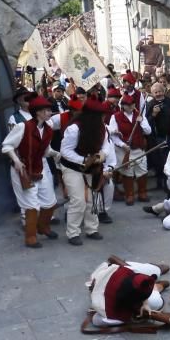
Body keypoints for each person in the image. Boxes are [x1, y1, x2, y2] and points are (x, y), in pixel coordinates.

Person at [1, 96, 67, 249]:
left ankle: (43, 227)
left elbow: (45, 150)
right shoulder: (22, 127)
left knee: (50, 202)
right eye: (47, 110)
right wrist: (16, 161)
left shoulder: (48, 129)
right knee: (31, 206)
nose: (50, 113)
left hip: (39, 168)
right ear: (38, 113)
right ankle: (30, 237)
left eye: (50, 110)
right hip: (22, 171)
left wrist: (55, 153)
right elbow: (7, 146)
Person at [59, 98, 115, 246]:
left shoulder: (102, 127)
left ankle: (91, 229)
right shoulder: (74, 129)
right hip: (71, 167)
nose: (104, 118)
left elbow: (106, 146)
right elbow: (65, 151)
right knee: (78, 200)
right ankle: (73, 232)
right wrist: (84, 160)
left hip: (92, 168)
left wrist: (101, 155)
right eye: (101, 115)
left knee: (92, 199)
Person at [85, 256, 170, 329]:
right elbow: (96, 320)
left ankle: (155, 272)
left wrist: (144, 303)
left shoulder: (126, 270)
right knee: (155, 303)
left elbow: (139, 279)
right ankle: (157, 286)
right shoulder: (113, 314)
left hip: (118, 273)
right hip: (103, 288)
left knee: (154, 271)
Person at [107, 93, 151, 206]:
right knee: (128, 172)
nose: (131, 106)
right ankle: (129, 195)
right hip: (124, 150)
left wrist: (141, 121)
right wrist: (122, 145)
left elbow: (148, 131)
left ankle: (142, 193)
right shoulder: (115, 117)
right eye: (128, 104)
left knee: (142, 170)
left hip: (139, 148)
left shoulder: (139, 115)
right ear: (123, 106)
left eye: (132, 104)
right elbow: (113, 135)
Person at [145, 82, 170, 192]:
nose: (158, 94)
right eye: (155, 92)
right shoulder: (150, 105)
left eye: (159, 91)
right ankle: (160, 182)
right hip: (157, 137)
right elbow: (146, 123)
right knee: (159, 160)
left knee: (169, 159)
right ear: (152, 93)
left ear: (163, 91)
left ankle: (168, 182)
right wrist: (154, 114)